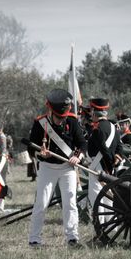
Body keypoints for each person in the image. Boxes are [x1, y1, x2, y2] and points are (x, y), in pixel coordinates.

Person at [27, 89, 87, 247]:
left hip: (67, 167)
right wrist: (41, 155)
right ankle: (34, 238)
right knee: (41, 203)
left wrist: (77, 157)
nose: (61, 120)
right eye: (59, 117)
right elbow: (31, 148)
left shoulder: (73, 121)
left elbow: (82, 144)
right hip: (47, 167)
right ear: (51, 111)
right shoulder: (40, 123)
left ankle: (72, 237)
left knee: (70, 203)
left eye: (63, 117)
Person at [87, 97, 122, 225]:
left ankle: (100, 226)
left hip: (99, 167)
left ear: (94, 113)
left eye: (91, 111)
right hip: (109, 165)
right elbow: (119, 147)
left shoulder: (97, 129)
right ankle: (112, 226)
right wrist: (115, 160)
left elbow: (103, 149)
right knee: (108, 198)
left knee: (96, 196)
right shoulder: (113, 128)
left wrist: (108, 167)